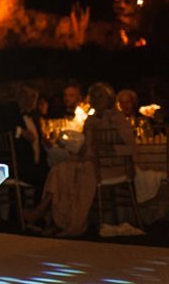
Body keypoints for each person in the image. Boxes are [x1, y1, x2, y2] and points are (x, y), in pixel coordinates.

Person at [24, 82, 138, 236]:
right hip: (91, 162)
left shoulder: (117, 119)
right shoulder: (90, 120)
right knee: (60, 168)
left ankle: (74, 225)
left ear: (109, 99)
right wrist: (76, 155)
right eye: (94, 96)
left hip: (112, 165)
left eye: (101, 96)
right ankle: (53, 217)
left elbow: (132, 148)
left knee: (83, 172)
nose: (97, 99)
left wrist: (108, 148)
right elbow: (86, 148)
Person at [0, 86, 48, 192]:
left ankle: (39, 206)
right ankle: (39, 207)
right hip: (17, 167)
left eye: (34, 97)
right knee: (47, 176)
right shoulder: (8, 112)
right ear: (20, 97)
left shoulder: (35, 116)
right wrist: (20, 132)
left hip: (35, 164)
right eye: (28, 96)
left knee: (55, 172)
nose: (31, 100)